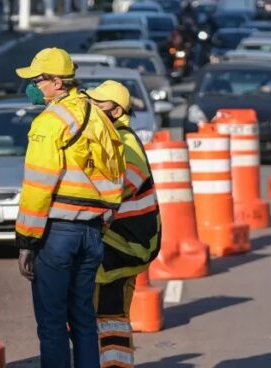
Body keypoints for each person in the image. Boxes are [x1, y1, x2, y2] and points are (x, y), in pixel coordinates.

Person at [15, 48, 125, 368]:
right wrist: (102, 221)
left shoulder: (49, 123)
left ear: (57, 82)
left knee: (52, 323)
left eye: (38, 80)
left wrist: (26, 241)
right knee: (83, 320)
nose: (33, 87)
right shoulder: (99, 118)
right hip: (92, 232)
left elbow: (38, 187)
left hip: (57, 234)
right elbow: (116, 174)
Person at [83, 81, 161, 368]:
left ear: (116, 110)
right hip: (116, 245)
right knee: (102, 317)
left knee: (110, 318)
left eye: (98, 105)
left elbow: (114, 189)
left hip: (122, 248)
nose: (92, 110)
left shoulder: (126, 144)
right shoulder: (113, 138)